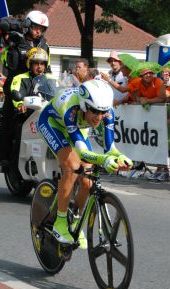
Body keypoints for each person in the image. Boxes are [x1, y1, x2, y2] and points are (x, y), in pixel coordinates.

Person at [37, 79, 133, 249]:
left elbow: (110, 147)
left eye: (103, 112)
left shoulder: (106, 111)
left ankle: (75, 221)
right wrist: (104, 160)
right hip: (53, 124)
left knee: (88, 181)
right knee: (73, 167)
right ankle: (60, 222)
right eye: (95, 111)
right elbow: (82, 153)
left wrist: (120, 157)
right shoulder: (71, 110)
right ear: (83, 106)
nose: (99, 117)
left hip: (77, 127)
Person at [0, 10, 50, 156]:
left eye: (42, 29)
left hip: (36, 90)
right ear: (29, 25)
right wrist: (19, 25)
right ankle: (4, 156)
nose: (39, 31)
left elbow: (48, 70)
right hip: (16, 87)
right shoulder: (16, 39)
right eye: (36, 27)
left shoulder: (44, 45)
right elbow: (0, 24)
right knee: (8, 121)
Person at [0, 48, 50, 165]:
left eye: (42, 63)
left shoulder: (50, 79)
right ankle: (15, 167)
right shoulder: (20, 78)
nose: (39, 66)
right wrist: (20, 104)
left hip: (45, 116)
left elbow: (58, 93)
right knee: (19, 136)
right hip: (26, 115)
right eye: (36, 63)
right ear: (30, 64)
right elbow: (15, 92)